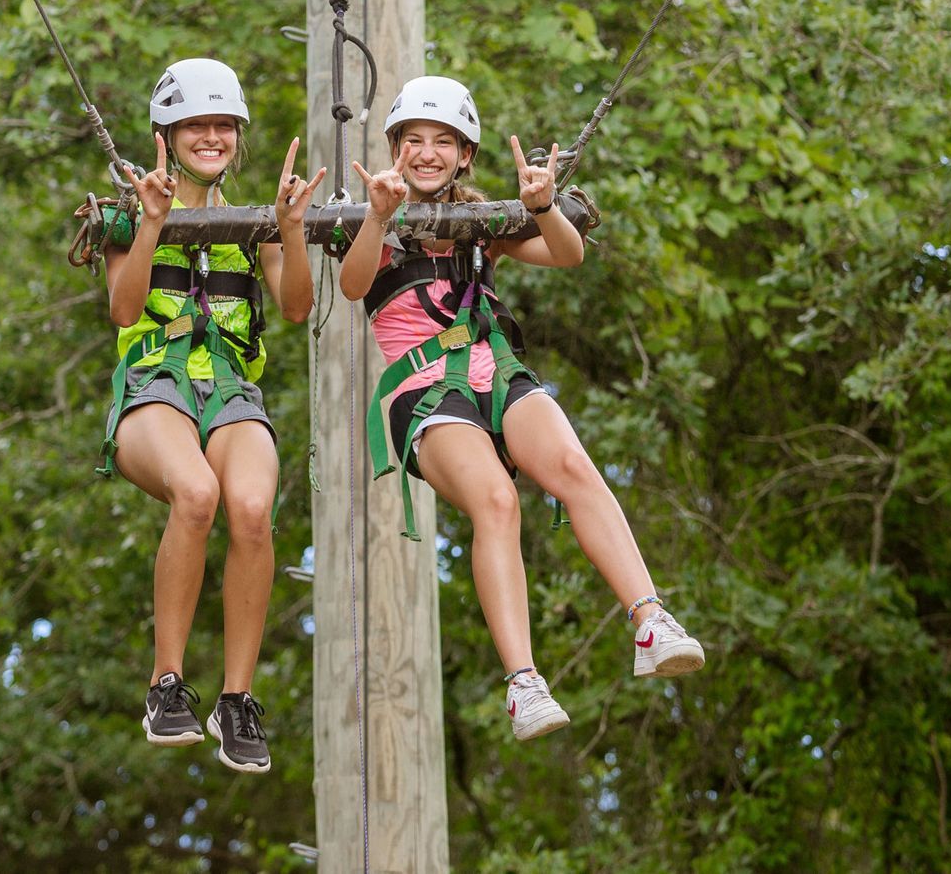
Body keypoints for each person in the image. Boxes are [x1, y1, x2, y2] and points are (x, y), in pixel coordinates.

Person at [339, 75, 704, 741]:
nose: (427, 153)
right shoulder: (376, 216)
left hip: (493, 368)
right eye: (414, 140)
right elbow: (353, 283)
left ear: (465, 154)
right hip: (425, 386)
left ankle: (648, 617)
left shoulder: (483, 224)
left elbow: (567, 254)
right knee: (498, 501)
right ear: (395, 148)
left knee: (571, 461)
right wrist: (375, 215)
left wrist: (541, 206)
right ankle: (523, 682)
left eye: (442, 142)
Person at [100, 58, 325, 772]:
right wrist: (151, 227)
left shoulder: (253, 221)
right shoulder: (127, 211)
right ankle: (167, 684)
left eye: (223, 125)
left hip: (228, 388)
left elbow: (295, 307)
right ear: (165, 134)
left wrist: (290, 229)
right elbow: (124, 308)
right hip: (154, 384)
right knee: (197, 494)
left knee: (253, 508)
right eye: (196, 124)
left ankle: (237, 699)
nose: (212, 136)